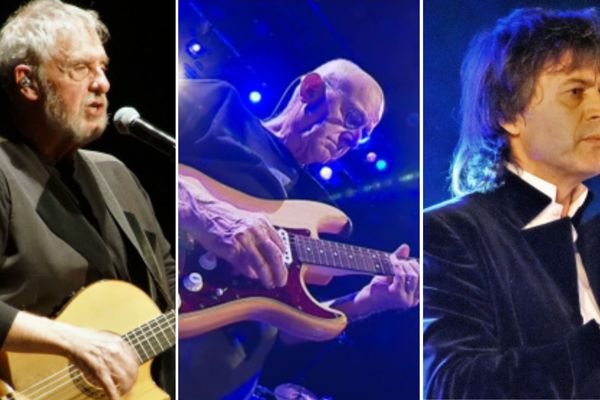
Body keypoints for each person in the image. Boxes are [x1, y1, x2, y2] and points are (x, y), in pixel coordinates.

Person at [178, 59, 420, 399]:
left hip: (223, 385)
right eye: (353, 120)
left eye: (363, 136)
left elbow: (287, 327)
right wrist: (205, 214)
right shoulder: (220, 107)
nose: (353, 139)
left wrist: (368, 301)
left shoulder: (317, 206)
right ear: (311, 90)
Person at [0, 1, 175, 399]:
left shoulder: (116, 175)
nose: (102, 84)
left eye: (103, 68)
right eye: (80, 68)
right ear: (28, 83)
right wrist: (74, 342)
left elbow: (169, 288)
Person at [424, 7, 600, 399]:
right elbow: (449, 385)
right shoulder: (448, 231)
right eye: (576, 92)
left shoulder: (592, 235)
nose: (597, 109)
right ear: (508, 113)